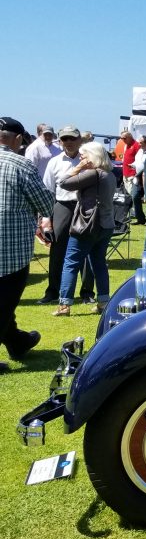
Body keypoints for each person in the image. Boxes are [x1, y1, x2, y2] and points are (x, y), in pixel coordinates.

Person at [0, 117, 50, 372]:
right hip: (9, 251)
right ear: (18, 139)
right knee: (5, 300)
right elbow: (45, 203)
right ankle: (16, 341)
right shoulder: (20, 165)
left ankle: (18, 342)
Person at [52, 142, 116, 316]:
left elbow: (63, 182)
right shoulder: (109, 174)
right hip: (106, 225)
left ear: (93, 156)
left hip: (87, 225)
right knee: (99, 263)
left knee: (71, 262)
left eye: (84, 155)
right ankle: (103, 302)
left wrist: (78, 168)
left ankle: (64, 305)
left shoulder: (93, 174)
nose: (80, 158)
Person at [40, 126, 96, 305]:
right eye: (65, 139)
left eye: (72, 139)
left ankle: (87, 292)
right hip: (62, 206)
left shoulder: (89, 159)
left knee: (87, 250)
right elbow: (48, 191)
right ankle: (53, 291)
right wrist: (46, 217)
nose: (69, 142)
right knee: (57, 250)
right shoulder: (54, 162)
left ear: (80, 140)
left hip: (85, 206)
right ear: (60, 141)